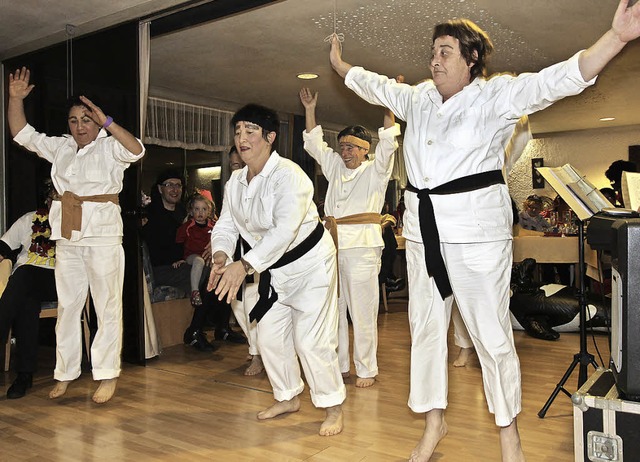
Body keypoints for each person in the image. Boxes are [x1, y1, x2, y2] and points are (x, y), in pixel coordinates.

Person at [329, 1, 640, 460]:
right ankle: (434, 423)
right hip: (422, 234)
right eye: (432, 51)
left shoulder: (497, 96)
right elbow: (374, 86)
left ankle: (508, 434)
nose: (434, 59)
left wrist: (614, 38)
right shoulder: (417, 97)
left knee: (491, 335)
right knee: (427, 330)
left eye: (446, 51)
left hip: (476, 236)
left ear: (472, 60)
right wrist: (340, 65)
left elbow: (557, 79)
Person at [207, 103, 346, 436]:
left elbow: (284, 232)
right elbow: (227, 225)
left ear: (269, 136)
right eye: (238, 131)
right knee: (268, 337)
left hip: (310, 265)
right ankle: (287, 397)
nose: (242, 138)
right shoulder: (235, 182)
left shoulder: (289, 175)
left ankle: (332, 405)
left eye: (250, 130)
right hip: (269, 269)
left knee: (311, 341)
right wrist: (221, 256)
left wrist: (245, 265)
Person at [8, 67, 145, 404]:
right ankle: (65, 374)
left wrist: (109, 122)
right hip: (68, 238)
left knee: (107, 306)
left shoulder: (111, 147)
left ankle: (107, 374)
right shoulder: (62, 148)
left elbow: (137, 150)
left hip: (103, 239)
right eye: (74, 120)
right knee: (68, 307)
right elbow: (21, 133)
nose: (80, 126)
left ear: (97, 121)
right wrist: (14, 99)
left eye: (87, 119)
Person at [299, 86, 400, 388]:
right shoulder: (335, 169)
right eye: (342, 147)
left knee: (363, 311)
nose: (345, 152)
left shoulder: (375, 171)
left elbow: (388, 142)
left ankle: (366, 369)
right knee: (335, 310)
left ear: (365, 150)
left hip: (362, 250)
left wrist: (388, 105)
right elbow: (315, 145)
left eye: (352, 148)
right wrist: (309, 109)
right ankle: (341, 365)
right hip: (332, 247)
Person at [142, 170, 245, 352]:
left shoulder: (185, 212)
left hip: (188, 264)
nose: (174, 189)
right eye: (169, 185)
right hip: (165, 268)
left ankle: (222, 327)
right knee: (206, 274)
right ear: (160, 189)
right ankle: (194, 331)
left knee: (223, 271)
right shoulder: (151, 214)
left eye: (178, 185)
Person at [0, 180, 58, 399]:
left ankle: (25, 375)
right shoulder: (29, 219)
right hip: (26, 283)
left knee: (23, 273)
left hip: (58, 281)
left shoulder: (75, 225)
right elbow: (3, 248)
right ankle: (24, 375)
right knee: (26, 301)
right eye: (54, 198)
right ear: (47, 200)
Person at [227, 146, 264, 376]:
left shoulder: (265, 183)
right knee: (237, 304)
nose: (238, 169)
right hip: (238, 252)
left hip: (262, 255)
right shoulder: (232, 186)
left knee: (252, 303)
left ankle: (258, 355)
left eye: (241, 165)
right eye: (234, 165)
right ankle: (255, 348)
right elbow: (227, 221)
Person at [175, 193, 215, 306]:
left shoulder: (214, 226)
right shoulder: (187, 227)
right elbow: (178, 243)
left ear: (209, 211)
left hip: (208, 257)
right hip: (192, 256)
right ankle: (195, 292)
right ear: (191, 212)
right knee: (199, 261)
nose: (200, 212)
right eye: (197, 209)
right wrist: (180, 259)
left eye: (204, 209)